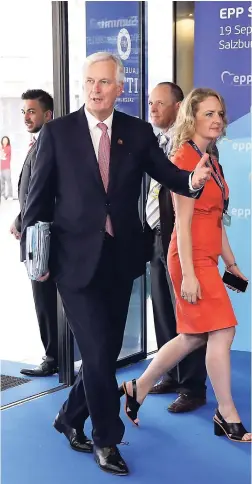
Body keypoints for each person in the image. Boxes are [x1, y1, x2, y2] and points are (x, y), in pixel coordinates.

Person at [21, 53, 211, 476]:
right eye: (89, 81)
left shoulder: (137, 132)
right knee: (96, 350)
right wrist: (35, 259)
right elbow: (35, 203)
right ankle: (107, 439)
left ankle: (69, 417)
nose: (95, 89)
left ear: (119, 88)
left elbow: (167, 174)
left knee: (103, 353)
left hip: (120, 259)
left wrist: (193, 181)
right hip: (72, 263)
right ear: (82, 86)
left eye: (104, 82)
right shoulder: (58, 133)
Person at [121, 87, 251, 443]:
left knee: (193, 337)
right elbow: (182, 220)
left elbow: (215, 219)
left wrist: (232, 262)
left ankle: (139, 385)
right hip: (189, 259)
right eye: (208, 113)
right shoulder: (183, 158)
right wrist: (191, 275)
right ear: (191, 117)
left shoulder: (213, 160)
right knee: (223, 331)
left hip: (207, 257)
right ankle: (227, 414)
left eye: (220, 114)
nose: (217, 120)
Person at [146, 82, 207, 412]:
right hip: (157, 237)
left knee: (188, 316)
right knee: (163, 312)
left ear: (179, 106)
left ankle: (193, 387)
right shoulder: (156, 143)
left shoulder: (190, 147)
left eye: (160, 103)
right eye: (150, 103)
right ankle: (171, 373)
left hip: (179, 240)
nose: (153, 109)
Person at [10, 89, 58, 377]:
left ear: (47, 114)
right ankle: (54, 355)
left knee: (45, 298)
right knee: (43, 299)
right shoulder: (38, 144)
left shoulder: (49, 146)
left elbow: (47, 194)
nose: (27, 117)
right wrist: (19, 219)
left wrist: (28, 223)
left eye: (32, 111)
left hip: (44, 237)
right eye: (24, 112)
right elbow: (32, 192)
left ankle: (54, 357)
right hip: (34, 232)